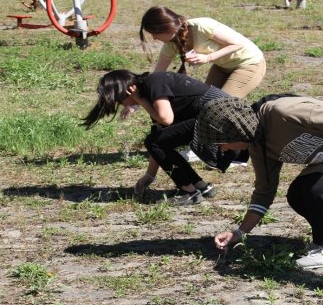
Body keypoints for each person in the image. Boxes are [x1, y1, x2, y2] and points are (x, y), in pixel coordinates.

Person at [193, 95, 323, 269]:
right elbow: (264, 192)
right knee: (298, 193)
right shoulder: (259, 146)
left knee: (317, 189)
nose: (224, 148)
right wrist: (239, 233)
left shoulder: (281, 112)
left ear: (236, 128)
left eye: (223, 142)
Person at [136, 5, 266, 165]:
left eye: (155, 33)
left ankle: (239, 155)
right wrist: (137, 98)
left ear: (166, 27)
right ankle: (200, 145)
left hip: (249, 63)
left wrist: (208, 58)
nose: (155, 38)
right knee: (201, 104)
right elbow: (157, 74)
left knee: (221, 108)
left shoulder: (202, 25)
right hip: (223, 66)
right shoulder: (171, 43)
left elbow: (237, 44)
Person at [81, 70, 234, 205]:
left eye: (120, 101)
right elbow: (160, 139)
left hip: (219, 116)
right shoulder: (151, 91)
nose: (122, 105)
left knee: (154, 141)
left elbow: (166, 119)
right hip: (218, 117)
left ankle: (189, 192)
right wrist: (150, 176)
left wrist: (140, 101)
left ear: (128, 91)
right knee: (158, 141)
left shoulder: (153, 82)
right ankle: (200, 186)